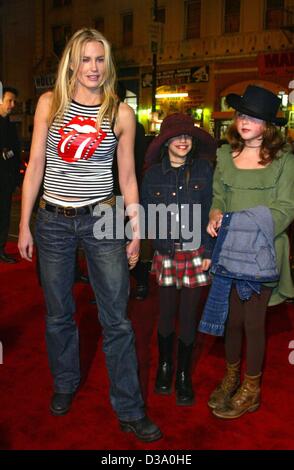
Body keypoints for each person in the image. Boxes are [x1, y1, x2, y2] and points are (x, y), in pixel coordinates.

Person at [18, 28, 162, 442]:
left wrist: (136, 231)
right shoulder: (51, 104)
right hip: (53, 220)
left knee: (117, 319)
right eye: (86, 59)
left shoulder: (120, 112)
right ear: (73, 63)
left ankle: (130, 409)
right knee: (59, 312)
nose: (93, 68)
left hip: (103, 218)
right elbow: (36, 168)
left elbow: (128, 178)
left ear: (107, 64)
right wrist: (25, 223)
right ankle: (65, 382)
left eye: (100, 59)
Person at [204, 84, 294, 419]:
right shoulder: (225, 155)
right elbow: (219, 197)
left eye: (254, 117)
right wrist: (215, 213)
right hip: (230, 252)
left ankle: (251, 388)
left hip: (264, 252)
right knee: (233, 322)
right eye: (242, 114)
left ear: (268, 125)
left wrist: (242, 226)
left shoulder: (285, 160)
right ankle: (231, 378)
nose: (245, 120)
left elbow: (286, 210)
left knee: (254, 323)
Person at [141, 113, 216, 405]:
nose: (183, 141)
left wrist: (209, 251)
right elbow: (147, 215)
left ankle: (183, 373)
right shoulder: (152, 174)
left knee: (188, 317)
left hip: (197, 252)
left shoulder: (203, 170)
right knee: (165, 314)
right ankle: (165, 366)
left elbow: (212, 212)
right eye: (177, 136)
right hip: (167, 252)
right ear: (165, 142)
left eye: (188, 136)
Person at [112, 81, 149, 300]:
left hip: (125, 192)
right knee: (110, 243)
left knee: (128, 242)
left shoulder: (132, 124)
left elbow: (133, 165)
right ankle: (112, 288)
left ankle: (140, 281)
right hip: (108, 194)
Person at [0, 86, 20, 263]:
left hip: (6, 181)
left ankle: (1, 249)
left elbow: (15, 151)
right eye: (9, 101)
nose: (12, 105)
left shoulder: (11, 126)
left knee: (4, 216)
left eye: (14, 101)